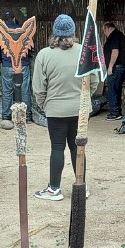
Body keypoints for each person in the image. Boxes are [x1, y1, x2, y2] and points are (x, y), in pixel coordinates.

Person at [33, 14, 98, 201]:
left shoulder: (44, 55)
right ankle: (81, 186)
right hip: (80, 110)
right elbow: (94, 81)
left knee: (57, 148)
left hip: (55, 110)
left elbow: (38, 87)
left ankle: (54, 189)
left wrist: (45, 105)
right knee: (78, 148)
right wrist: (84, 99)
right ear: (73, 32)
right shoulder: (85, 52)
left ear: (54, 32)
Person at [0, 11, 33, 123]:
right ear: (14, 18)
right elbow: (29, 48)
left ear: (4, 20)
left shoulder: (0, 33)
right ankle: (28, 116)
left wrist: (4, 60)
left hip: (7, 65)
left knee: (7, 91)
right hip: (23, 65)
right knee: (24, 90)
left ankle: (6, 116)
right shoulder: (22, 30)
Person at [102, 22, 125, 121]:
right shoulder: (120, 35)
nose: (104, 33)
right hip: (121, 66)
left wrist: (110, 67)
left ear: (107, 28)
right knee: (117, 89)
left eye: (104, 31)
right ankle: (117, 111)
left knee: (112, 90)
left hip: (116, 67)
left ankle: (114, 112)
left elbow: (115, 51)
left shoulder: (113, 37)